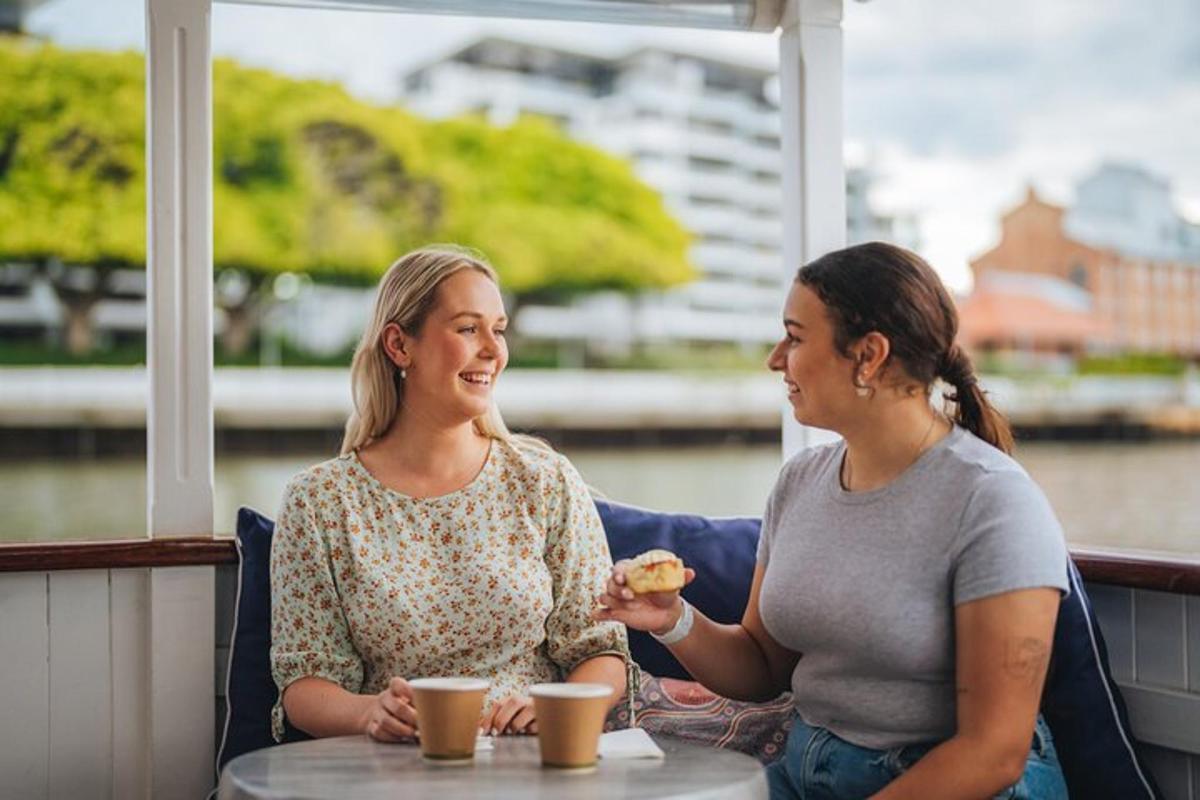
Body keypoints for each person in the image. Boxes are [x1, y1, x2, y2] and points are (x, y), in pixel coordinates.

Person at [596, 242, 1070, 800]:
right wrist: (670, 618)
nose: (776, 358)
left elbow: (993, 753)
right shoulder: (801, 482)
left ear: (868, 356)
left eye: (795, 337)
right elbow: (760, 664)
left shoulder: (993, 501)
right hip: (806, 773)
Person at [270, 245, 628, 744]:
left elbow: (601, 653)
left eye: (498, 329)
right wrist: (370, 713)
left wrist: (556, 708)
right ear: (399, 345)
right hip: (393, 769)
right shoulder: (319, 501)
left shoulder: (544, 479)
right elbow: (305, 683)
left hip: (530, 765)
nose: (493, 350)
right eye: (467, 328)